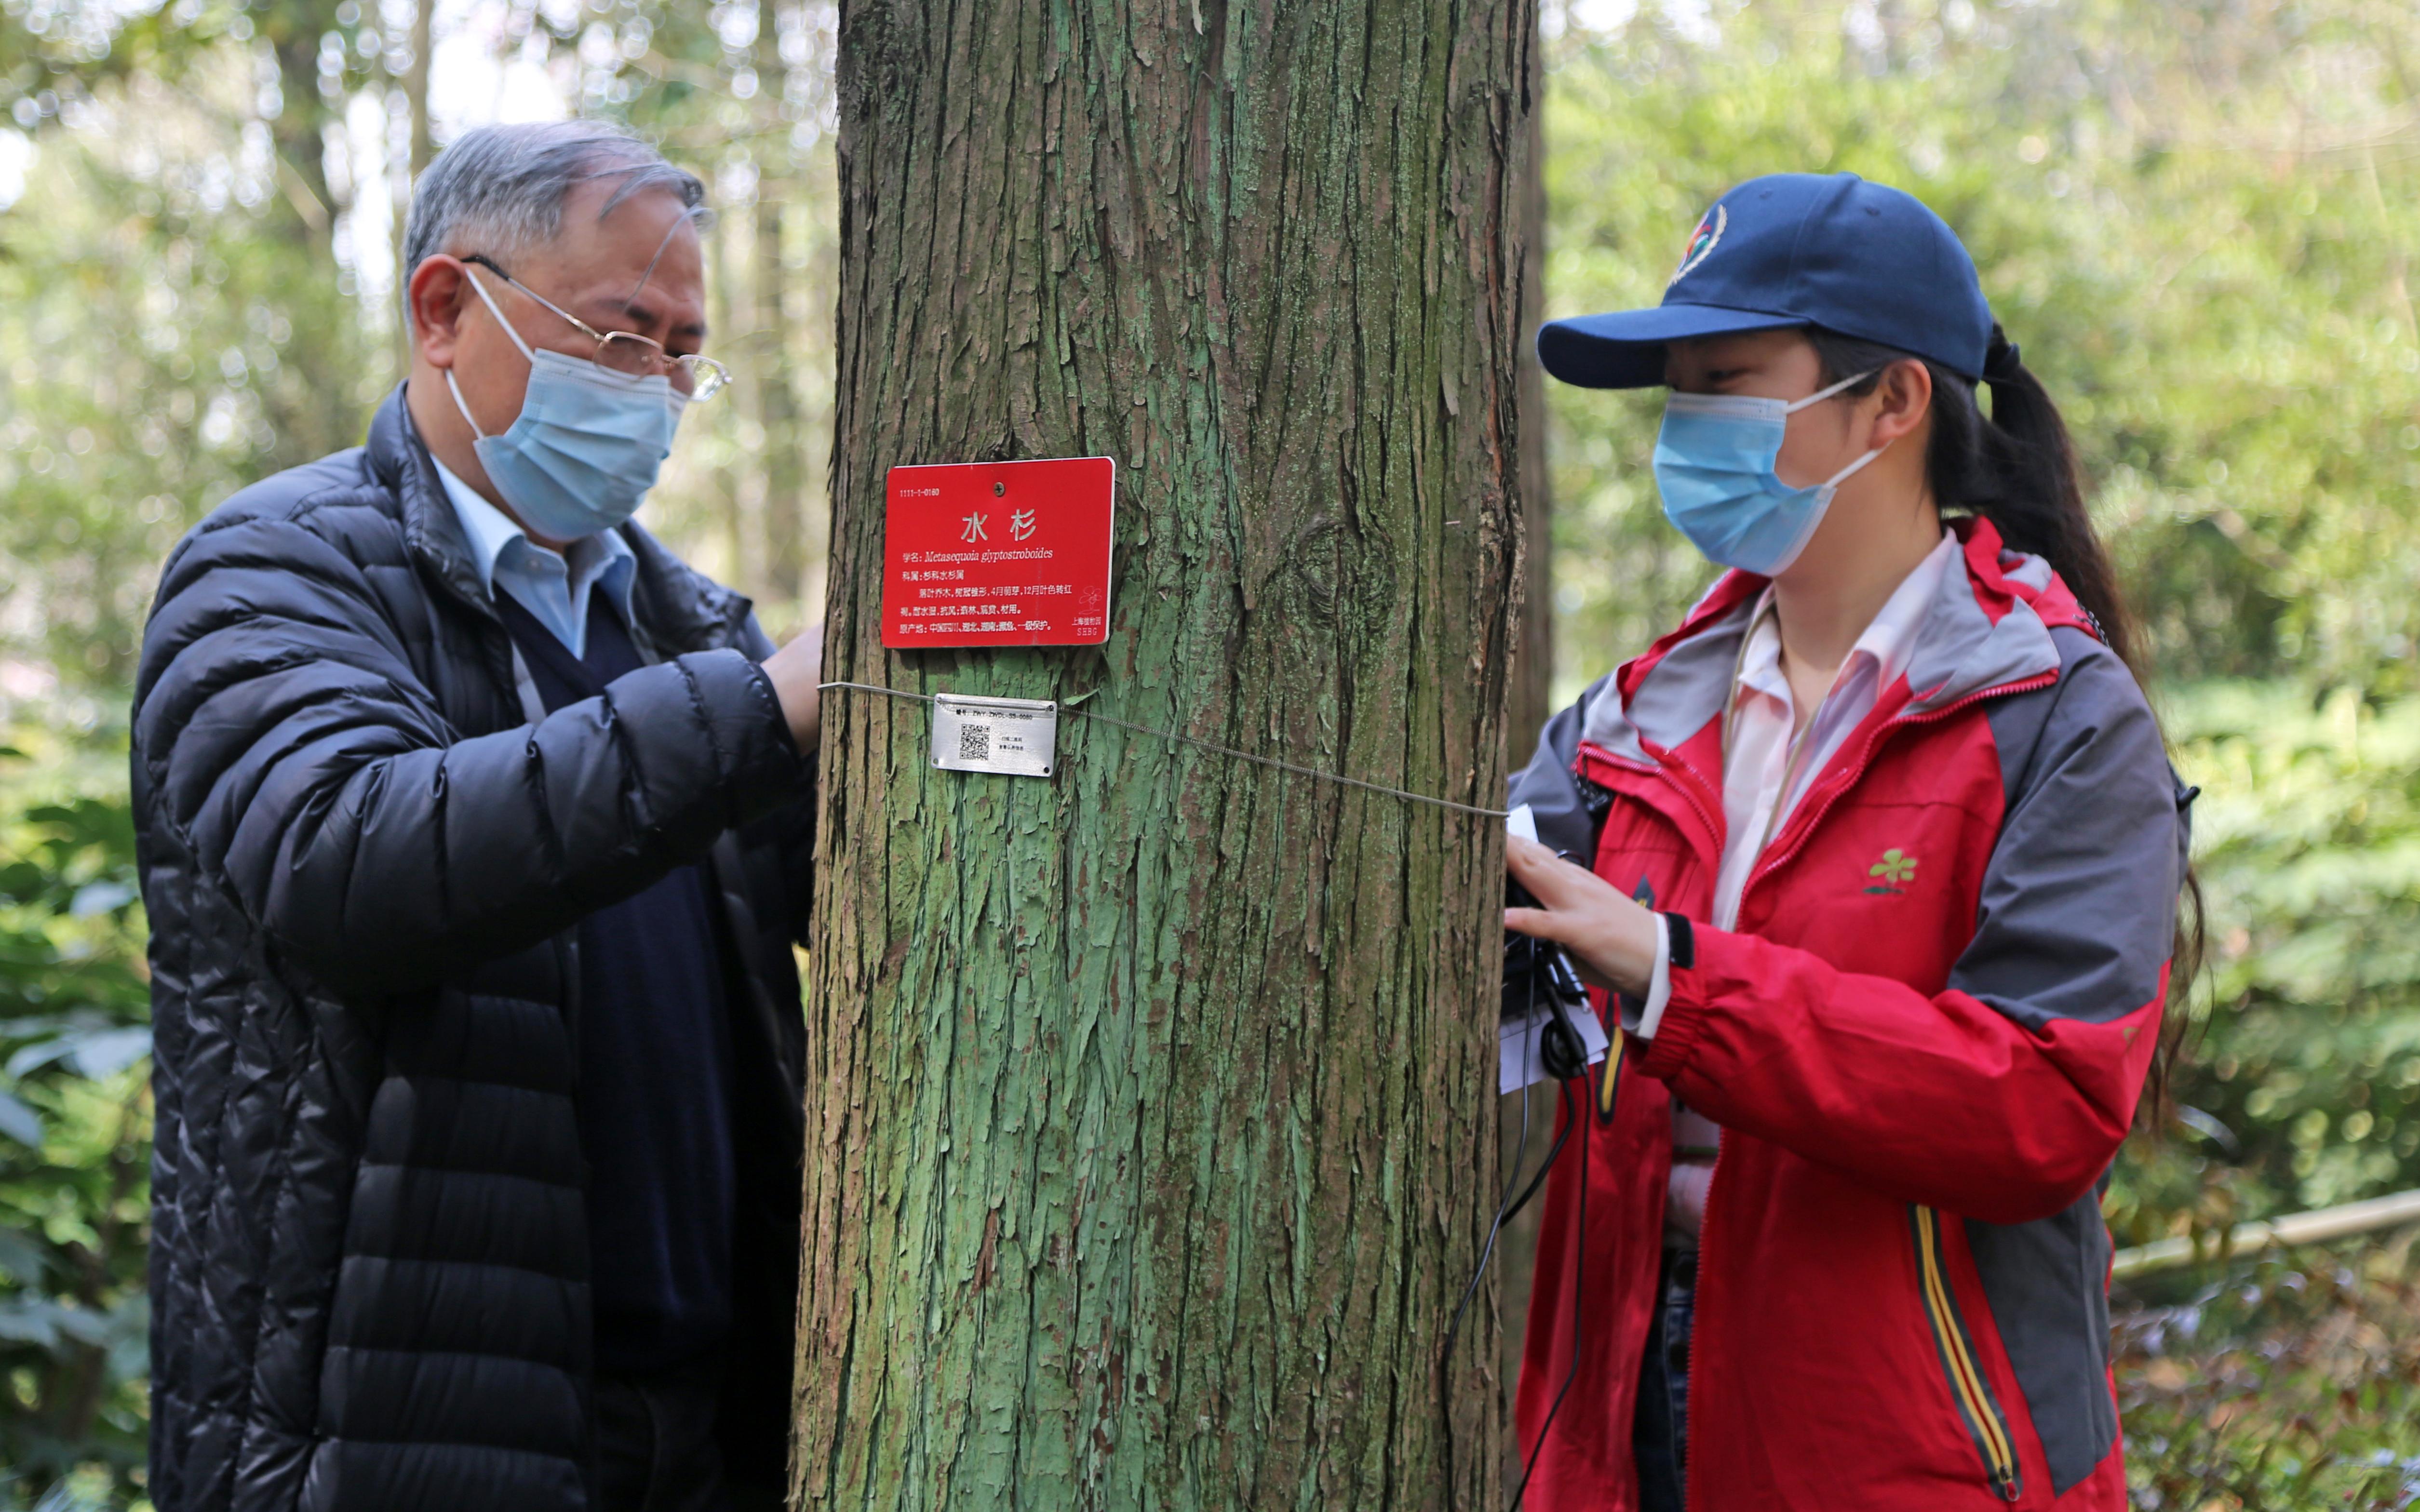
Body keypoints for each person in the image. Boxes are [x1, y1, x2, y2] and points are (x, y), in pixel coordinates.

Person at [133, 121, 828, 1512]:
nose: (662, 389)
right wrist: (767, 709)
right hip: (396, 1434)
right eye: (623, 336)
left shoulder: (682, 619)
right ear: (447, 310)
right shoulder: (273, 570)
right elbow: (350, 862)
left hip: (704, 1423)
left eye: (686, 351)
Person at [1500, 173, 2195, 1511]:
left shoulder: (2057, 718)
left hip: (1909, 1461)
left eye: (1730, 379)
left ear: (1892, 402)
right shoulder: (1627, 718)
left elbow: (2039, 1104)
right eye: (1678, 389)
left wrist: (1671, 970)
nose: (1687, 424)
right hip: (1621, 1433)